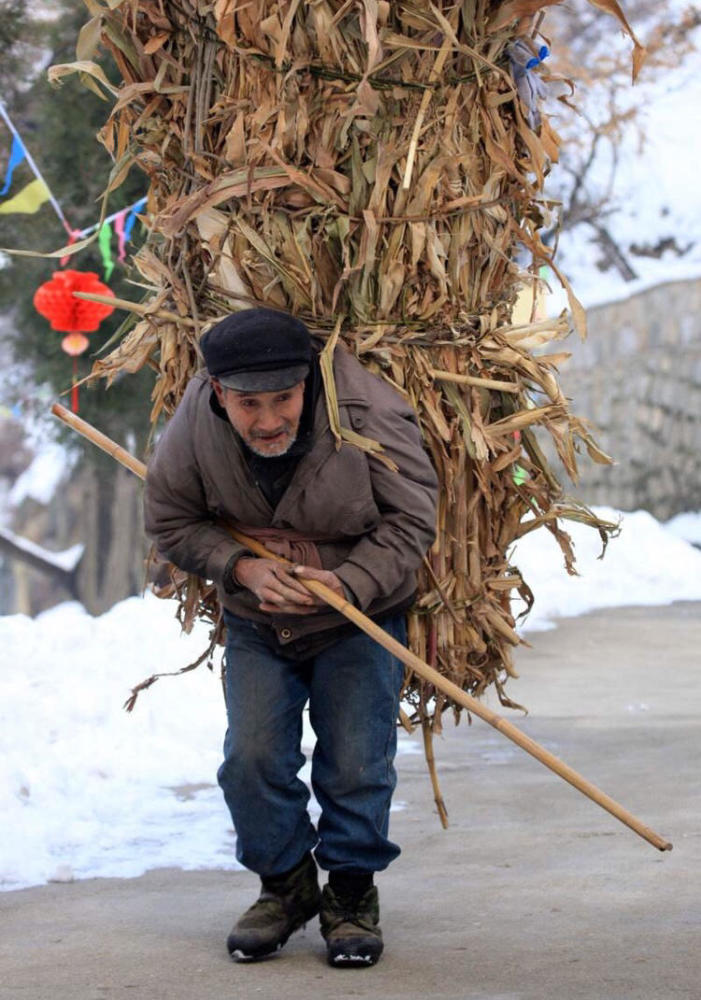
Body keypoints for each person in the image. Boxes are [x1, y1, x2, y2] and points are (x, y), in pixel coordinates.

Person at [144, 307, 437, 967]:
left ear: (308, 381)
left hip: (357, 615)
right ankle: (284, 886)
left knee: (358, 762)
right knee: (250, 759)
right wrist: (240, 566)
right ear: (218, 392)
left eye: (283, 398)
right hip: (258, 618)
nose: (269, 419)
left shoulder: (366, 412)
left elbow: (413, 518)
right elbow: (170, 519)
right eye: (249, 404)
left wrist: (351, 582)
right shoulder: (194, 425)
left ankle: (353, 895)